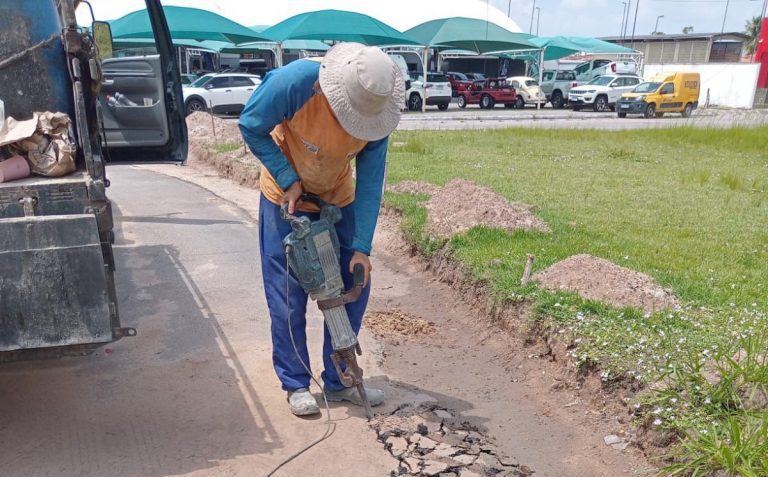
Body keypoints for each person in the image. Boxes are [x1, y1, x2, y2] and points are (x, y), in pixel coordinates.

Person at [239, 43, 405, 416]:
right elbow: (251, 125)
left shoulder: (377, 111)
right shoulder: (293, 83)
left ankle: (339, 377)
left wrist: (361, 246)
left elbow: (370, 181)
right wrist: (287, 178)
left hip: (337, 196)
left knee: (354, 283)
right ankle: (295, 382)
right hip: (285, 196)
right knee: (287, 295)